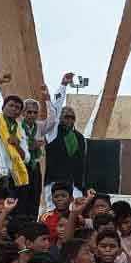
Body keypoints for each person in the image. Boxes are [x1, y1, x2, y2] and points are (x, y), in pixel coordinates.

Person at [40, 75, 88, 208]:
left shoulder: (79, 137)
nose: (69, 120)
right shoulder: (53, 133)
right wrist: (63, 85)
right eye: (66, 117)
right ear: (60, 118)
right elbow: (56, 108)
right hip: (54, 184)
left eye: (72, 118)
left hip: (74, 185)